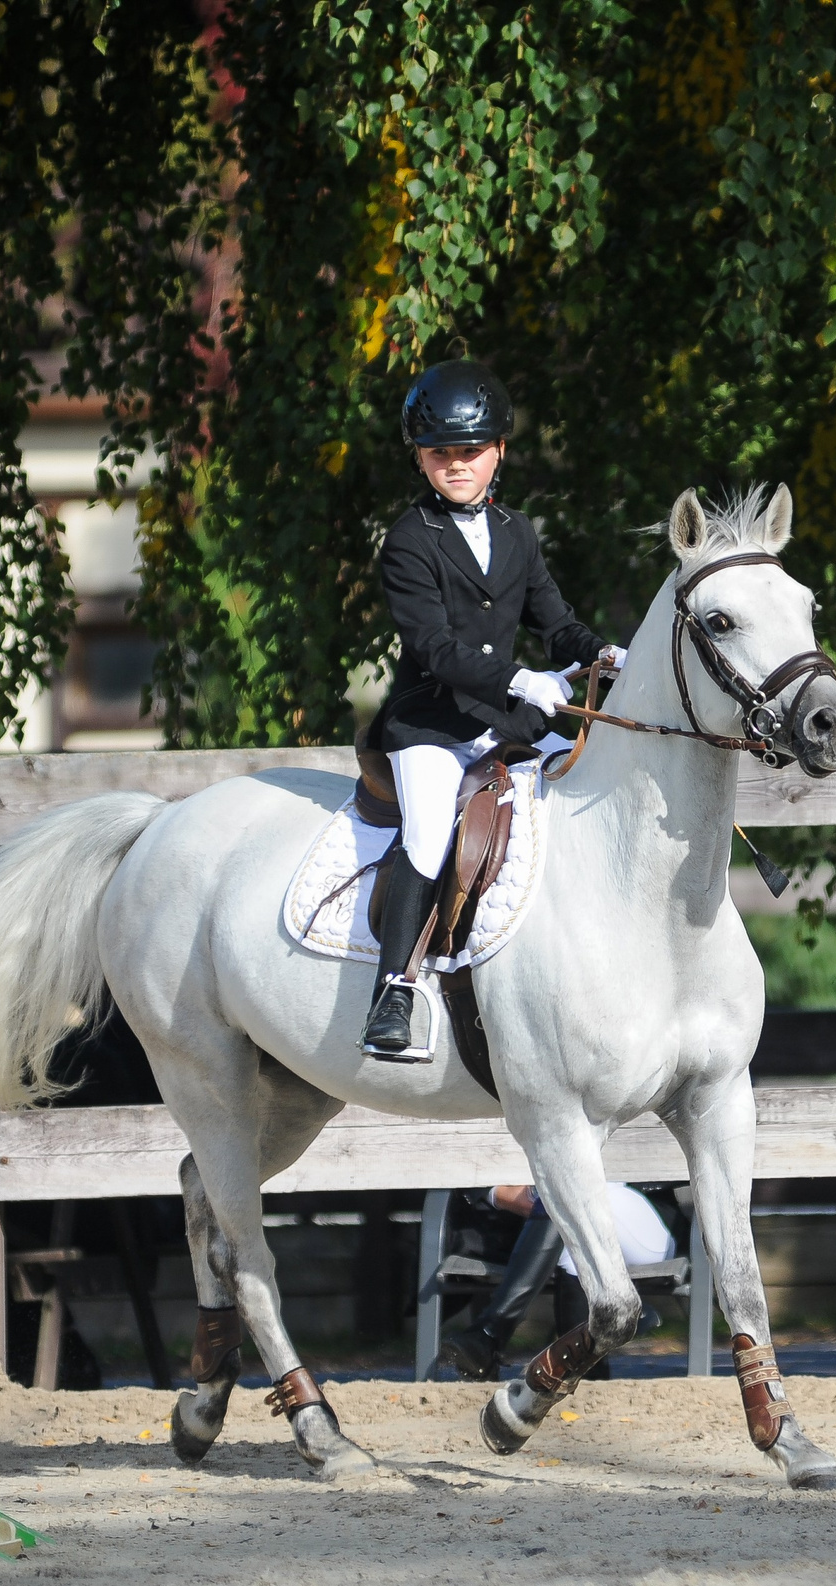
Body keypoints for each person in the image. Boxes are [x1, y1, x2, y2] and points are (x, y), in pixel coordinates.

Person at [359, 358, 624, 1061]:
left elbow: (556, 623)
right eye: (439, 452)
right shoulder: (409, 538)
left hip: (501, 724)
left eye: (470, 451)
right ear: (420, 458)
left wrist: (606, 654)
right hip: (430, 724)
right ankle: (394, 991)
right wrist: (520, 679)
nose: (455, 464)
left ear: (499, 451)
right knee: (427, 833)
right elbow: (433, 647)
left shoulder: (517, 531)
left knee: (583, 794)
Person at [437, 1181, 675, 1379]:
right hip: (561, 1218)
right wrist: (498, 1192)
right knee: (569, 1223)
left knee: (566, 1190)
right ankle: (586, 1376)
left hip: (641, 1218)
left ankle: (489, 1334)